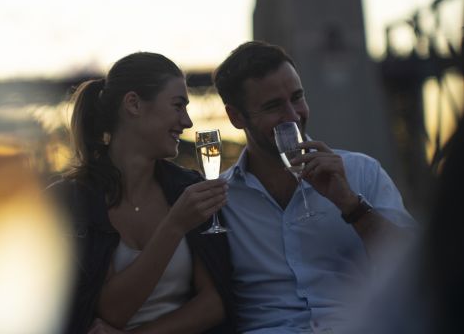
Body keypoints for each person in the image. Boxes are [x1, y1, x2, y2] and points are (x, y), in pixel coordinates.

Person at [212, 40, 416, 333]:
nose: (293, 115)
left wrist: (351, 205)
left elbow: (418, 268)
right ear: (236, 117)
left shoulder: (361, 172)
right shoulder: (220, 200)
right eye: (273, 106)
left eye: (297, 97)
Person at [47, 52, 235, 334]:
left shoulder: (189, 189)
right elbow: (112, 312)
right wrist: (174, 226)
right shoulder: (72, 203)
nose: (187, 122)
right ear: (133, 104)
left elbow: (215, 303)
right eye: (178, 106)